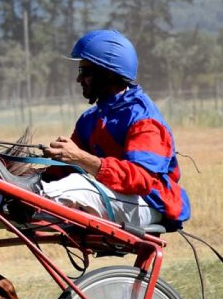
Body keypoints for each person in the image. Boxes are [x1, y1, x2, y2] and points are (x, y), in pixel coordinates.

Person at [39, 29, 191, 230]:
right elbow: (62, 169)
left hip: (148, 202)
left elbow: (142, 180)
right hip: (114, 196)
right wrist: (7, 171)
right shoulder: (90, 119)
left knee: (76, 186)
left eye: (85, 72)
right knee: (29, 191)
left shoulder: (144, 120)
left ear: (108, 73)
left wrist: (81, 158)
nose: (79, 80)